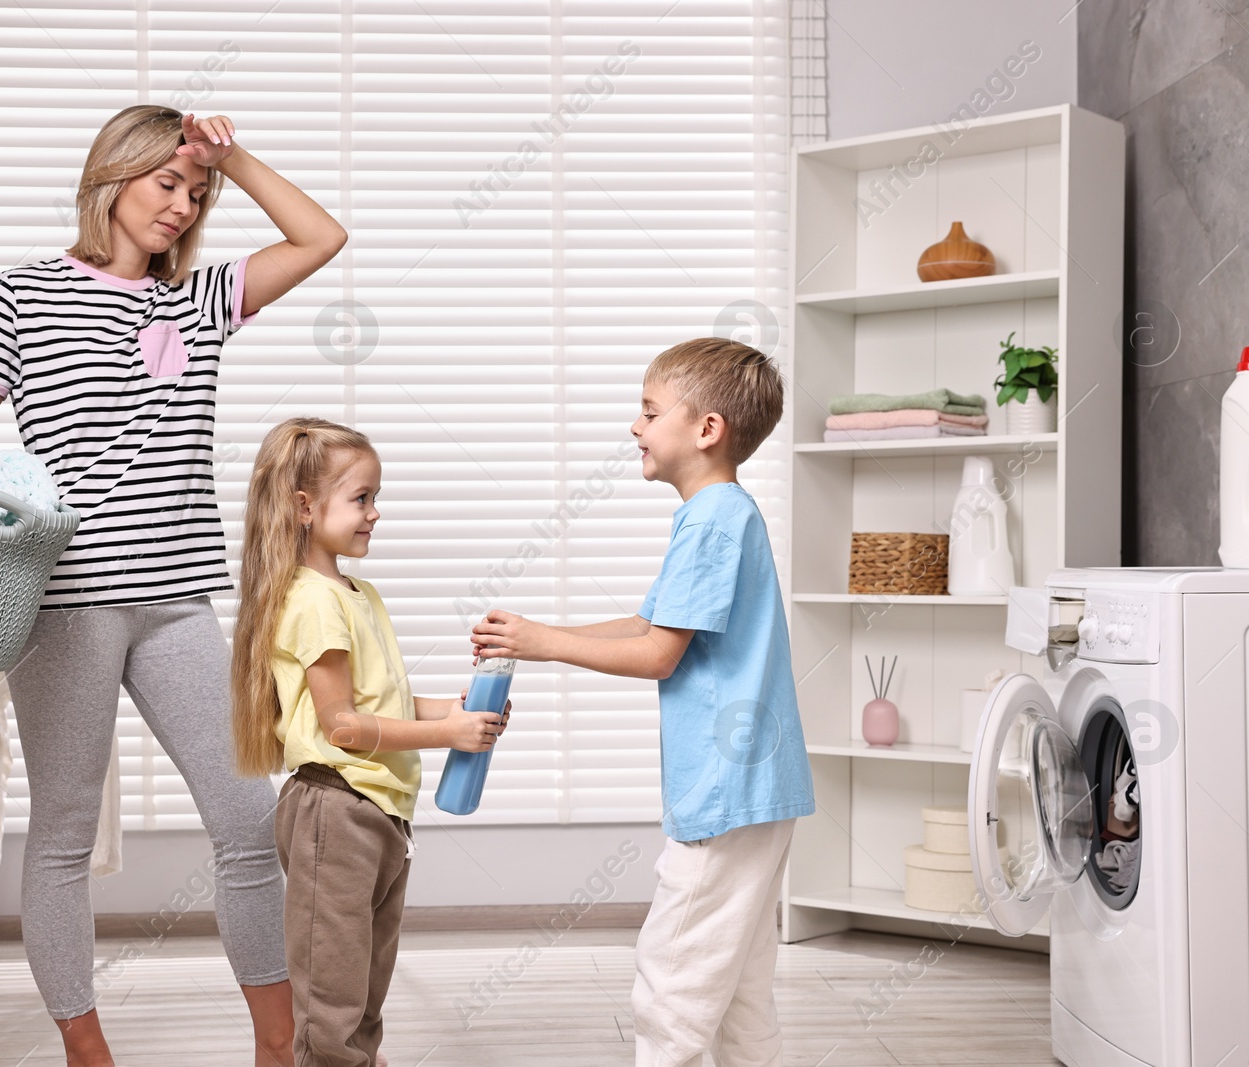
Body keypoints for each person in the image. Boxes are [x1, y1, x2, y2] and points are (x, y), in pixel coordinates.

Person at [0, 105, 348, 1067]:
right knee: (64, 835)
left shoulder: (201, 296)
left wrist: (232, 157)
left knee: (251, 818)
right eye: (165, 182)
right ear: (112, 177)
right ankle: (88, 1050)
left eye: (195, 192)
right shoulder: (22, 295)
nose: (182, 205)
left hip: (176, 600)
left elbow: (320, 236)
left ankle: (279, 1048)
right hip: (62, 604)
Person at [469, 337, 816, 1067]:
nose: (636, 426)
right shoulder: (721, 513)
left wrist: (542, 643)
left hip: (724, 793)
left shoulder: (713, 519)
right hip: (759, 791)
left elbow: (659, 652)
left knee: (672, 989)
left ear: (707, 429)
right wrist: (537, 635)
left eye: (650, 411)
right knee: (740, 995)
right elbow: (648, 623)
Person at [230, 417, 509, 1067]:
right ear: (305, 507)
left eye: (375, 497)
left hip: (378, 812)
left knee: (362, 990)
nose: (375, 513)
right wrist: (447, 733)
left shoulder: (360, 595)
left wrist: (461, 710)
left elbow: (382, 703)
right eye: (361, 498)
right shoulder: (312, 600)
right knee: (331, 1001)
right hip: (337, 806)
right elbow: (343, 727)